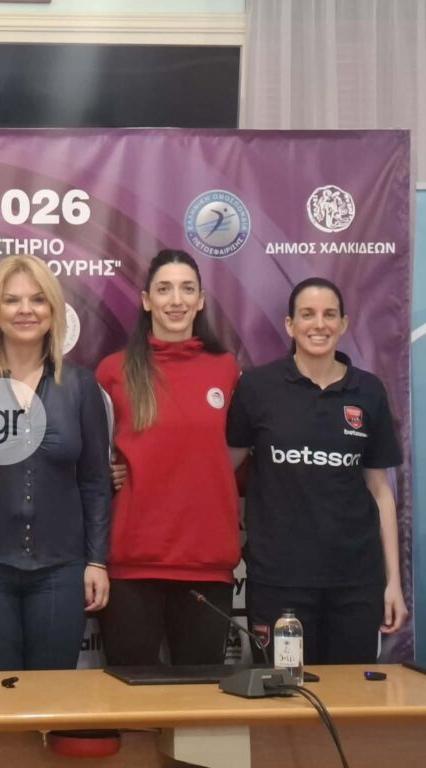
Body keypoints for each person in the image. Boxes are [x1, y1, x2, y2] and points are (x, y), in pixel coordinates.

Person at [0, 254, 111, 671]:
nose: (25, 310)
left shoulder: (81, 386)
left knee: (51, 694)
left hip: (61, 569)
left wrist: (97, 560)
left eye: (37, 299)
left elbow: (95, 482)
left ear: (53, 309)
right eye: (12, 300)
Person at [226, 277, 408, 664]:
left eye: (329, 315)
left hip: (355, 584)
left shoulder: (368, 391)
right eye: (307, 314)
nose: (319, 324)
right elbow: (222, 467)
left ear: (344, 324)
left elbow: (380, 490)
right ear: (290, 325)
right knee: (282, 694)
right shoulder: (258, 388)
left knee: (351, 695)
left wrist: (393, 582)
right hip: (278, 582)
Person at [95, 248, 241, 666]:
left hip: (206, 563)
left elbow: (238, 455)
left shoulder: (226, 369)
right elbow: (87, 458)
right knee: (130, 697)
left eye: (187, 289)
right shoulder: (113, 370)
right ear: (146, 300)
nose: (176, 300)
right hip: (132, 564)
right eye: (164, 289)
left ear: (201, 300)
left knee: (200, 699)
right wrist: (108, 472)